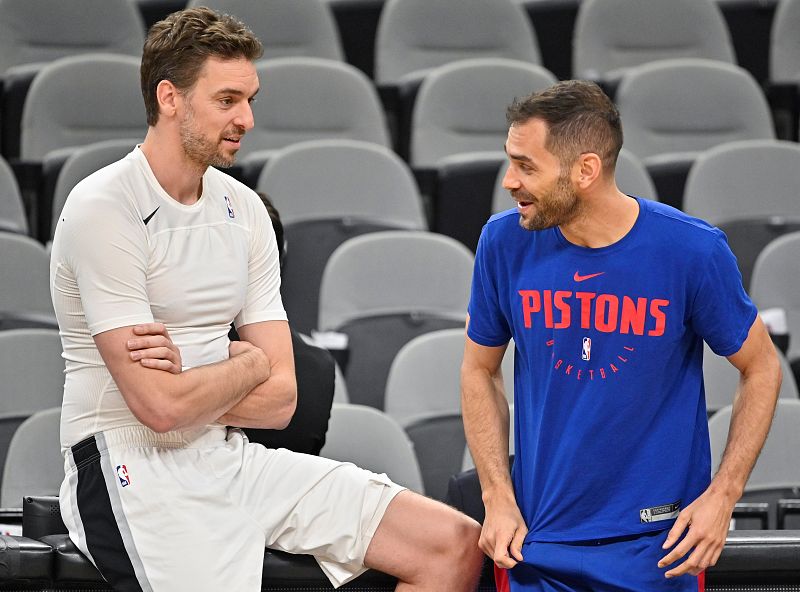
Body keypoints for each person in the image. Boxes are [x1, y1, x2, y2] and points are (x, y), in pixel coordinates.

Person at [50, 7, 483, 591]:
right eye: (228, 100)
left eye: (250, 99)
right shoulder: (104, 207)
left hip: (225, 453)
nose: (247, 119)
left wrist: (199, 381)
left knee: (449, 546)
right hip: (124, 462)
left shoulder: (245, 210)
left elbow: (280, 399)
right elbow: (157, 409)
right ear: (170, 97)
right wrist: (243, 364)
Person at [460, 80, 781, 591]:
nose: (508, 181)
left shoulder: (691, 251)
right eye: (510, 160)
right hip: (536, 542)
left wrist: (724, 494)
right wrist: (496, 493)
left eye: (526, 166)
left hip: (659, 548)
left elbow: (762, 366)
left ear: (585, 170)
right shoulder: (503, 242)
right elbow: (479, 369)